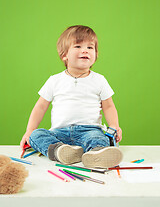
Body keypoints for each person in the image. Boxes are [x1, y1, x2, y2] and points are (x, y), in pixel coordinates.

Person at [20, 25, 123, 168]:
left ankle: (96, 153)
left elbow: (109, 106)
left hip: (89, 130)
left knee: (98, 138)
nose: (85, 50)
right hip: (59, 133)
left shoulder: (99, 80)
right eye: (78, 46)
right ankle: (60, 151)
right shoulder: (54, 80)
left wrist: (114, 125)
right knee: (36, 135)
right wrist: (29, 130)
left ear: (95, 54)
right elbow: (40, 107)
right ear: (64, 54)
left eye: (90, 47)